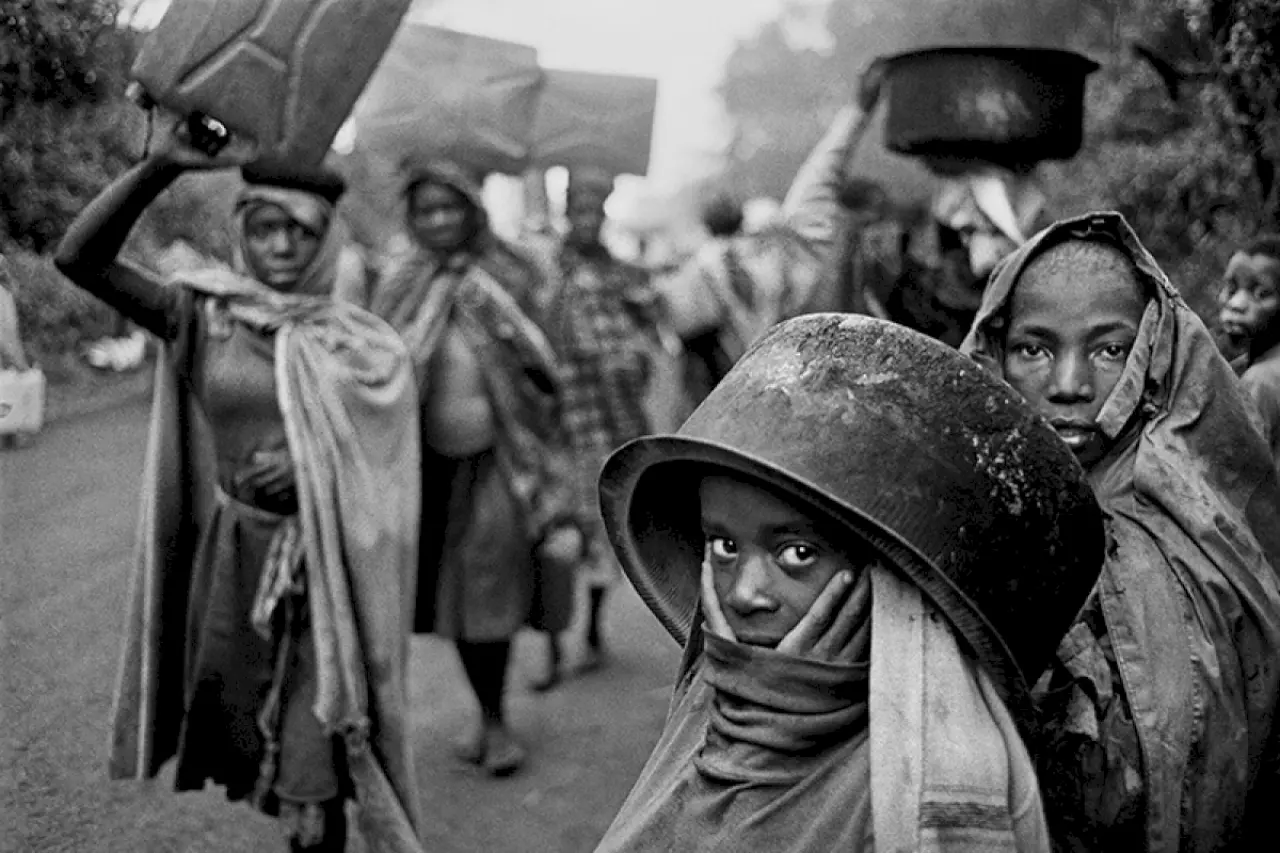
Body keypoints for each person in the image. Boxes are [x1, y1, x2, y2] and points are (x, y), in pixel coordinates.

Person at [591, 312, 1107, 852]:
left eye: (797, 554)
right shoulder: (707, 711)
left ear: (891, 587)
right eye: (722, 546)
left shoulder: (932, 782)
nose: (743, 593)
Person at [53, 118, 425, 853]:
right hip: (235, 557)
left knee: (314, 774)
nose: (281, 248)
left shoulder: (360, 344)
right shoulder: (205, 315)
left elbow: (388, 472)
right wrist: (161, 166)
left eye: (300, 232)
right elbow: (79, 259)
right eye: (264, 229)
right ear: (241, 233)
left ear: (329, 239)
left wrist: (312, 467)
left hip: (328, 571)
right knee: (266, 750)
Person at [961, 211, 1280, 851]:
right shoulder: (954, 523)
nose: (1069, 386)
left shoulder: (1208, 534)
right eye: (1033, 349)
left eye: (1110, 351)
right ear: (994, 353)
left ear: (1154, 357)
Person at [368, 158, 581, 774]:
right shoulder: (400, 284)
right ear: (411, 220)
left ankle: (494, 719)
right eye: (426, 211)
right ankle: (485, 710)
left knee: (488, 587)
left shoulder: (509, 274)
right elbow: (375, 364)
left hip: (503, 460)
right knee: (456, 599)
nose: (439, 220)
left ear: (471, 210)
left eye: (449, 207)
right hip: (427, 466)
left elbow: (546, 359)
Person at [533, 165, 665, 676]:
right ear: (566, 212)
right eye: (579, 211)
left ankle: (590, 632)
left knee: (601, 533)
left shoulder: (622, 273)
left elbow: (652, 330)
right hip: (557, 422)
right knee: (552, 534)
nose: (587, 220)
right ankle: (551, 646)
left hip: (612, 421)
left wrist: (634, 353)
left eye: (595, 211)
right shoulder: (546, 268)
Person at [1216, 234, 1280, 468]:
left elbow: (1233, 469)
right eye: (1231, 289)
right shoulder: (1249, 367)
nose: (1236, 304)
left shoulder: (1261, 380)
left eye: (1261, 294)